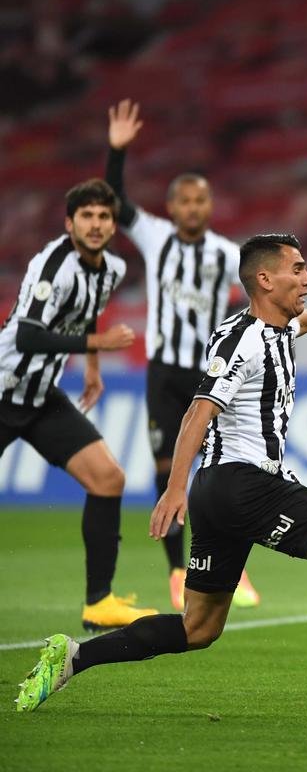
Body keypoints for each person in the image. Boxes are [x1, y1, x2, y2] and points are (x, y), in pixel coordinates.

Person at [17, 233, 307, 718]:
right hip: (247, 484)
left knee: (199, 629)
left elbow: (293, 329)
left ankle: (74, 656)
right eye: (297, 270)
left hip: (220, 492)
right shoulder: (244, 340)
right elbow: (198, 412)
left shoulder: (269, 329)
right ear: (264, 278)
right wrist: (173, 490)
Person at [105, 99, 260, 611]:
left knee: (224, 469)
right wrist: (117, 152)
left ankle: (229, 568)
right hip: (165, 372)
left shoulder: (226, 254)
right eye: (185, 201)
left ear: (210, 207)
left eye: (201, 200)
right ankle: (177, 570)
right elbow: (115, 201)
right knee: (167, 465)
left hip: (210, 372)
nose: (193, 208)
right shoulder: (155, 238)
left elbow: (260, 293)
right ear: (171, 207)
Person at [0, 179, 158, 631]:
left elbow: (86, 311)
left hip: (40, 396)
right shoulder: (53, 265)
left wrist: (91, 366)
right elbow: (29, 335)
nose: (95, 224)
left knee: (108, 478)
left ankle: (99, 602)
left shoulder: (111, 268)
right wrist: (98, 343)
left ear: (113, 226)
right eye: (85, 216)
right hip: (3, 389)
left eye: (104, 216)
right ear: (69, 223)